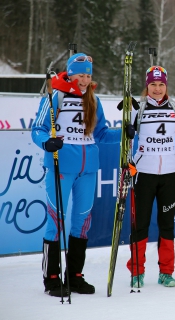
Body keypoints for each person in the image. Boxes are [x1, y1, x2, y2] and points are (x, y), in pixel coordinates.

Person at [32, 53, 122, 296]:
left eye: (88, 75)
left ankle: (75, 275)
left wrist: (126, 131)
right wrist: (47, 142)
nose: (84, 79)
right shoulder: (55, 96)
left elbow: (102, 134)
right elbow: (38, 129)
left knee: (82, 222)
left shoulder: (93, 99)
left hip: (88, 170)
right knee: (56, 220)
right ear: (71, 73)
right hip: (61, 167)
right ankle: (51, 279)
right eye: (80, 74)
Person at [126, 66, 175, 288]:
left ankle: (166, 272)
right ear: (147, 86)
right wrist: (128, 161)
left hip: (169, 175)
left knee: (167, 225)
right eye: (153, 85)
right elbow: (127, 143)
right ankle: (137, 271)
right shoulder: (136, 110)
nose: (157, 89)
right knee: (140, 225)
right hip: (144, 175)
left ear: (166, 85)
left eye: (161, 85)